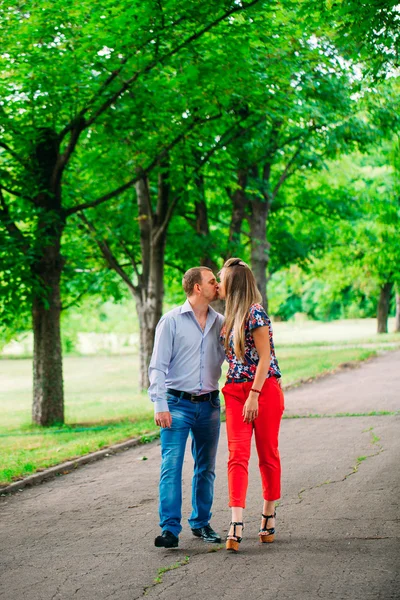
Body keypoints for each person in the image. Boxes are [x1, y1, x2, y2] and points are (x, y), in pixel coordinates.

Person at [148, 266, 225, 548]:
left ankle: (201, 523)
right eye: (212, 281)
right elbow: (157, 366)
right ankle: (169, 530)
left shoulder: (221, 322)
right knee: (172, 466)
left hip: (210, 406)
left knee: (206, 468)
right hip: (176, 404)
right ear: (197, 287)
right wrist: (159, 403)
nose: (217, 285)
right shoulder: (171, 321)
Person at [218, 257, 284, 552]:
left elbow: (265, 358)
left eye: (221, 280)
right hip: (234, 391)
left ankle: (268, 515)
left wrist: (255, 396)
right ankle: (236, 521)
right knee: (237, 455)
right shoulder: (227, 318)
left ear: (232, 285)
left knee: (267, 453)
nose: (217, 285)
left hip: (262, 390)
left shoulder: (255, 313)